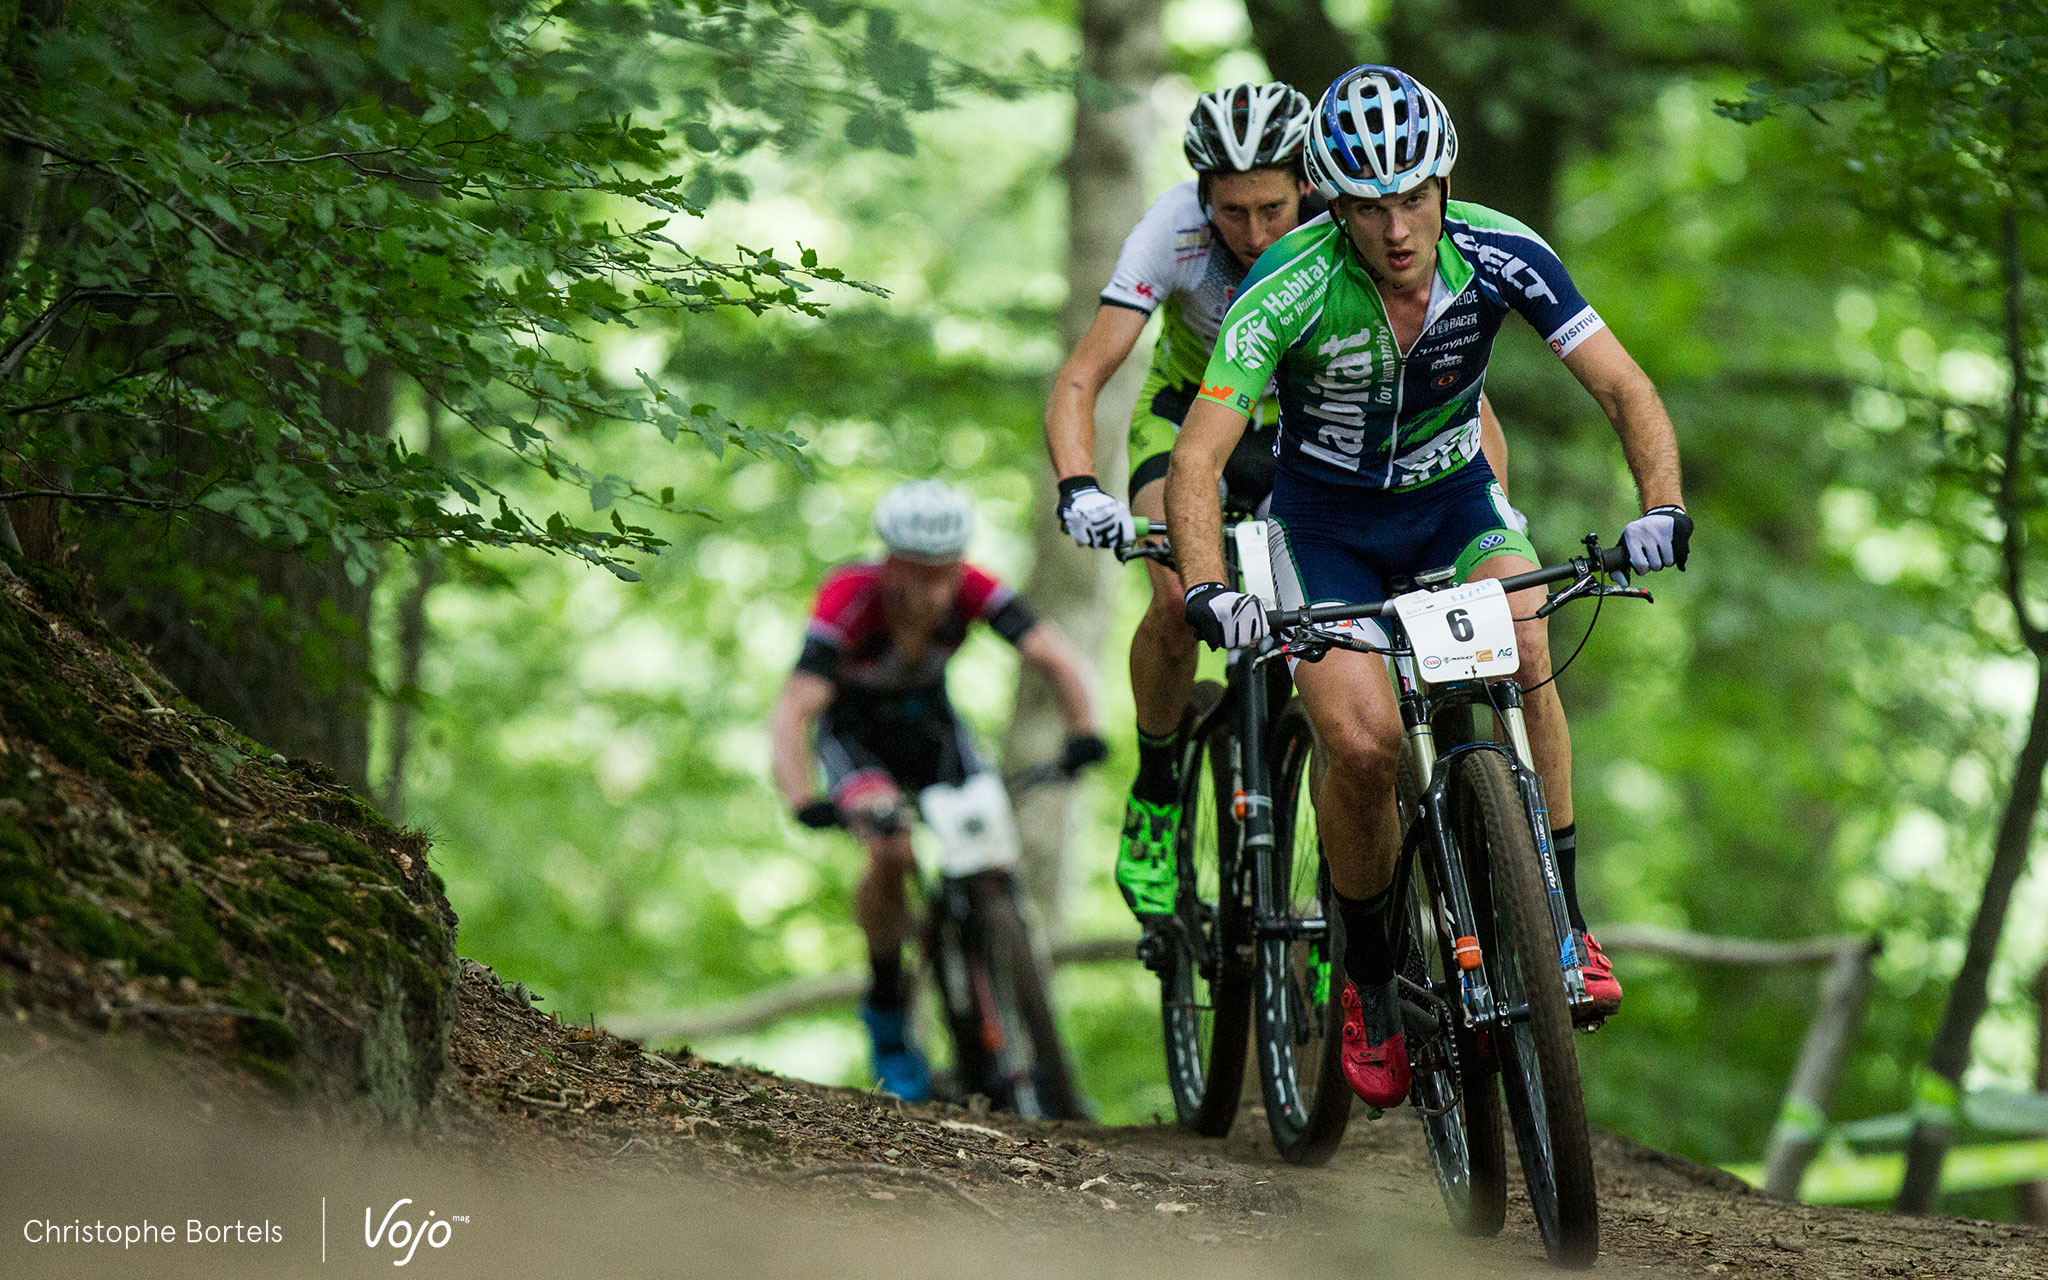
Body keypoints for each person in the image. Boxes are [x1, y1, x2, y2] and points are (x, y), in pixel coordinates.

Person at [1165, 65, 1692, 1109]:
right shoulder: (1289, 280)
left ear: (1442, 183)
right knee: (1357, 744)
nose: (1396, 226)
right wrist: (1206, 587)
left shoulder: (1502, 252)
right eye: (1368, 204)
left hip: (1453, 505)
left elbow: (1622, 386)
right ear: (1333, 202)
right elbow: (1194, 458)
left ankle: (1561, 914)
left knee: (1528, 635)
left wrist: (1660, 509)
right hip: (1325, 534)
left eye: (1413, 196)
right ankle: (1365, 979)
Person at [1044, 81, 1518, 928]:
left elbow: (1454, 394)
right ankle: (1156, 796)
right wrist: (1080, 485)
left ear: (1307, 184)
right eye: (1233, 212)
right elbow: (1084, 375)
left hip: (1318, 433)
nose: (1256, 232)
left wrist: (1489, 518)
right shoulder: (1170, 234)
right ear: (1202, 199)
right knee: (1170, 589)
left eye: (1272, 207)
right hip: (1193, 416)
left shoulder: (1356, 228)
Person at [768, 479, 1107, 1101]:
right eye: (913, 572)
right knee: (892, 848)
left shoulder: (975, 588)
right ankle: (887, 1001)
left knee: (990, 841)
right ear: (888, 561)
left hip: (934, 731)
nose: (929, 588)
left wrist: (1085, 730)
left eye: (942, 572)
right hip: (858, 740)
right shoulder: (849, 598)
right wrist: (803, 798)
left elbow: (1055, 655)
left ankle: (1010, 987)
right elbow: (794, 710)